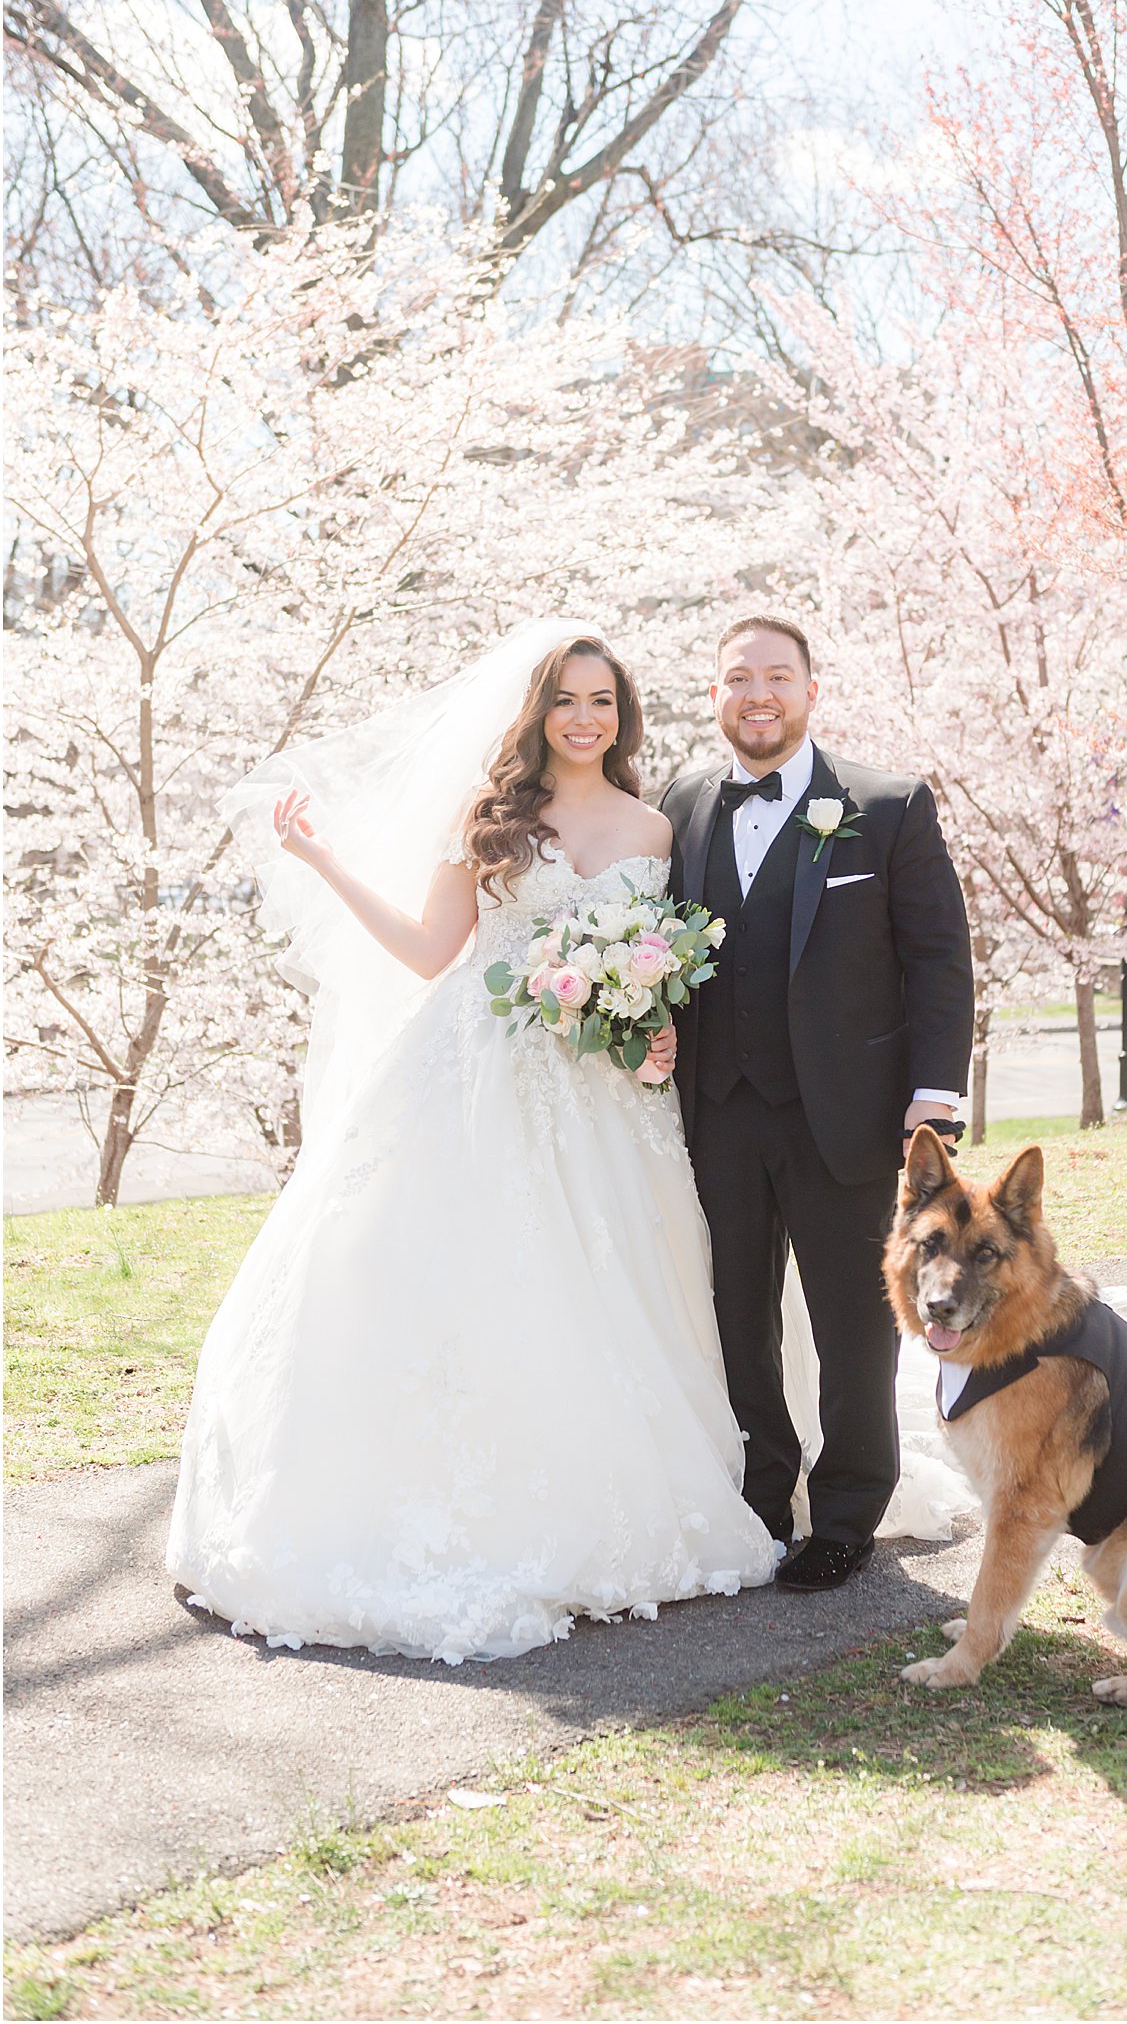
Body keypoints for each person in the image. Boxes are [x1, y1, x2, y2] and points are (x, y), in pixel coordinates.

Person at [167, 623, 778, 1662]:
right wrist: (320, 859)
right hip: (479, 1076)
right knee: (463, 1279)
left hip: (607, 1095)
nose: (584, 720)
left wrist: (653, 1021)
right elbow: (425, 951)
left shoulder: (652, 829)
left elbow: (664, 961)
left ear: (621, 716)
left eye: (602, 702)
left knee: (619, 1280)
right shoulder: (492, 822)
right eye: (564, 700)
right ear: (534, 713)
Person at [661, 616, 976, 1592]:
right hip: (717, 1107)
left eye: (776, 677)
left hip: (846, 1113)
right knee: (736, 1315)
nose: (757, 695)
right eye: (736, 678)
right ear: (714, 695)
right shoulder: (677, 803)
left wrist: (932, 1098)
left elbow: (936, 956)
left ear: (808, 690)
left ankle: (846, 1513)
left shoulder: (884, 806)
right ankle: (761, 1495)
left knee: (852, 1322)